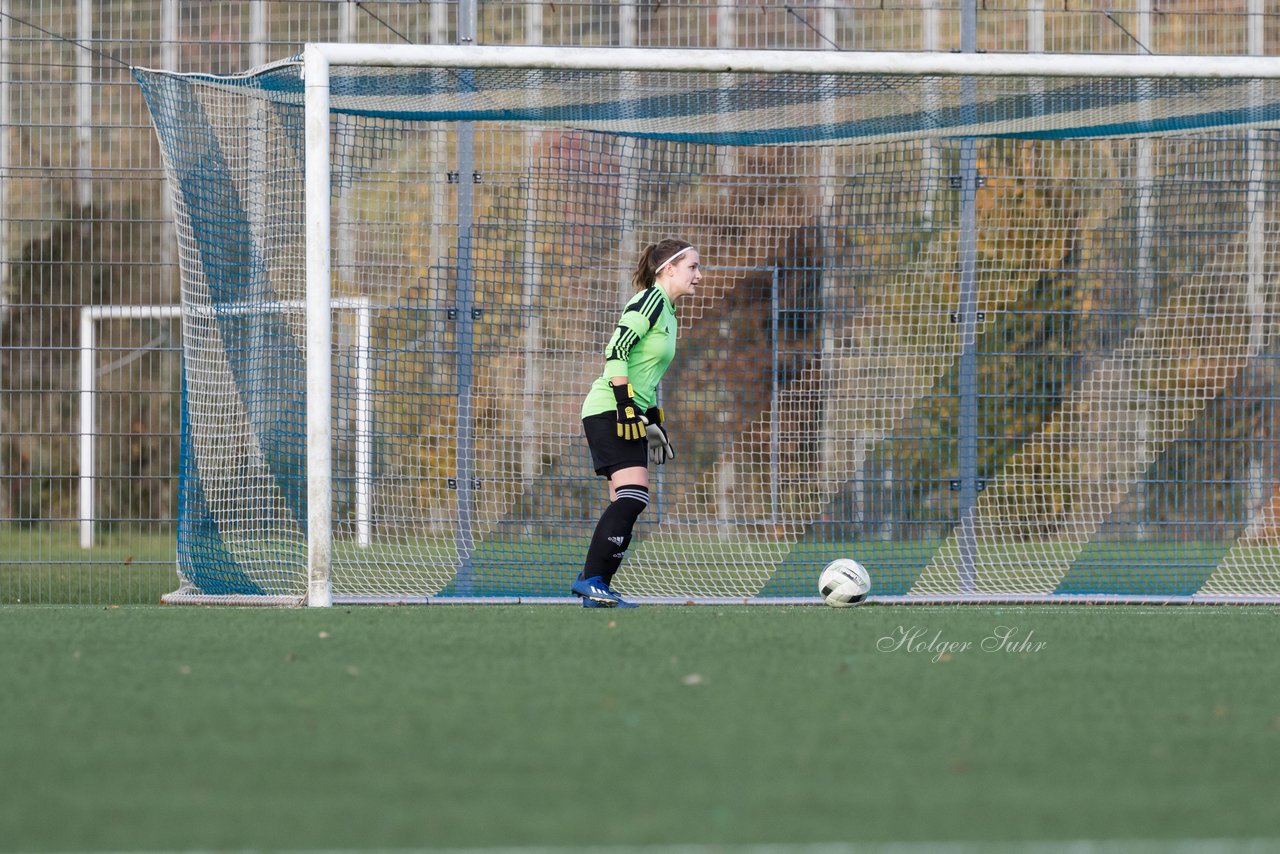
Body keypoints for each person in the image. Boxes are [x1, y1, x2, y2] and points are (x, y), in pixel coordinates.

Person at [572, 239, 701, 608]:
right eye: (693, 267)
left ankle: (596, 588)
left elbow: (646, 373)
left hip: (627, 411)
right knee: (634, 497)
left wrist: (654, 419)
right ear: (669, 269)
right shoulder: (650, 301)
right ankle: (591, 579)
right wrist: (626, 406)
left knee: (625, 499)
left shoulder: (669, 313)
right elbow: (617, 350)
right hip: (609, 408)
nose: (699, 275)